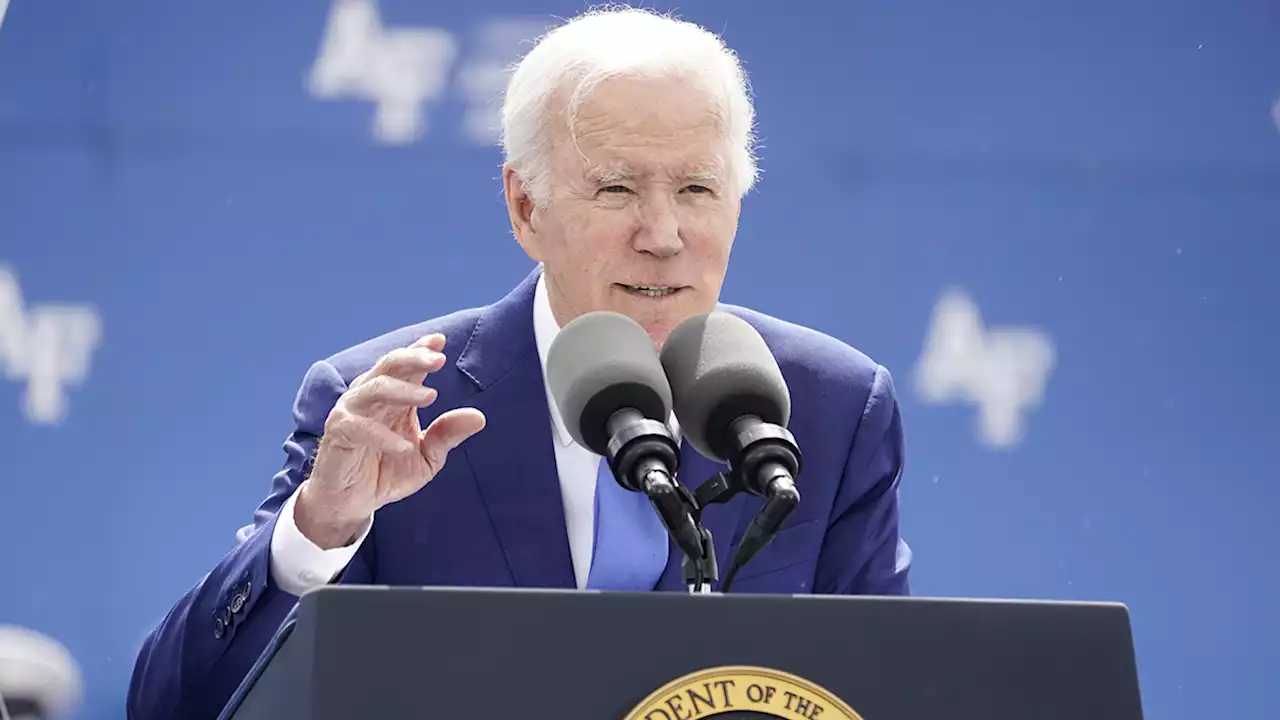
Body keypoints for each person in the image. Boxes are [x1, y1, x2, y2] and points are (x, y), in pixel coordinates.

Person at [126, 7, 912, 719]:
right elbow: (176, 708)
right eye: (616, 188)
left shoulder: (831, 409)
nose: (664, 232)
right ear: (525, 207)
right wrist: (319, 531)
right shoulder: (400, 409)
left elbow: (887, 688)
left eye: (699, 187)